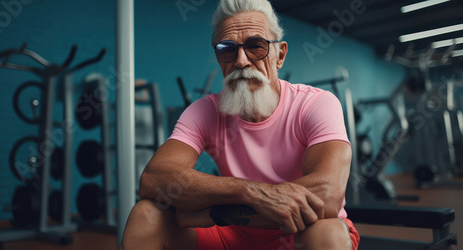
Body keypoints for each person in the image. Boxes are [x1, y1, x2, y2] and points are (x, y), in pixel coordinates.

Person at [119, 0, 360, 249]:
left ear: (280, 55)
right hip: (235, 236)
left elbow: (325, 198)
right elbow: (153, 179)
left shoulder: (316, 103)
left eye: (256, 46)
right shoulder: (205, 110)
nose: (241, 61)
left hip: (299, 230)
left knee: (327, 232)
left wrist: (210, 214)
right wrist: (250, 192)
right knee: (146, 215)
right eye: (227, 49)